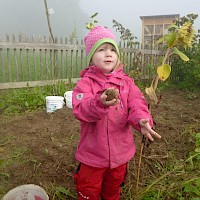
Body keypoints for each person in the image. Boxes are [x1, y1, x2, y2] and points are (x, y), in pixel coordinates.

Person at [72, 26, 161, 200]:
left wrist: (142, 119)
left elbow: (137, 103)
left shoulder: (126, 83)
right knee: (88, 190)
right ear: (91, 58)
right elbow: (80, 109)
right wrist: (99, 102)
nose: (108, 54)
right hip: (92, 156)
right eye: (102, 49)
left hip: (121, 155)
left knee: (113, 190)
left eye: (113, 49)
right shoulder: (85, 84)